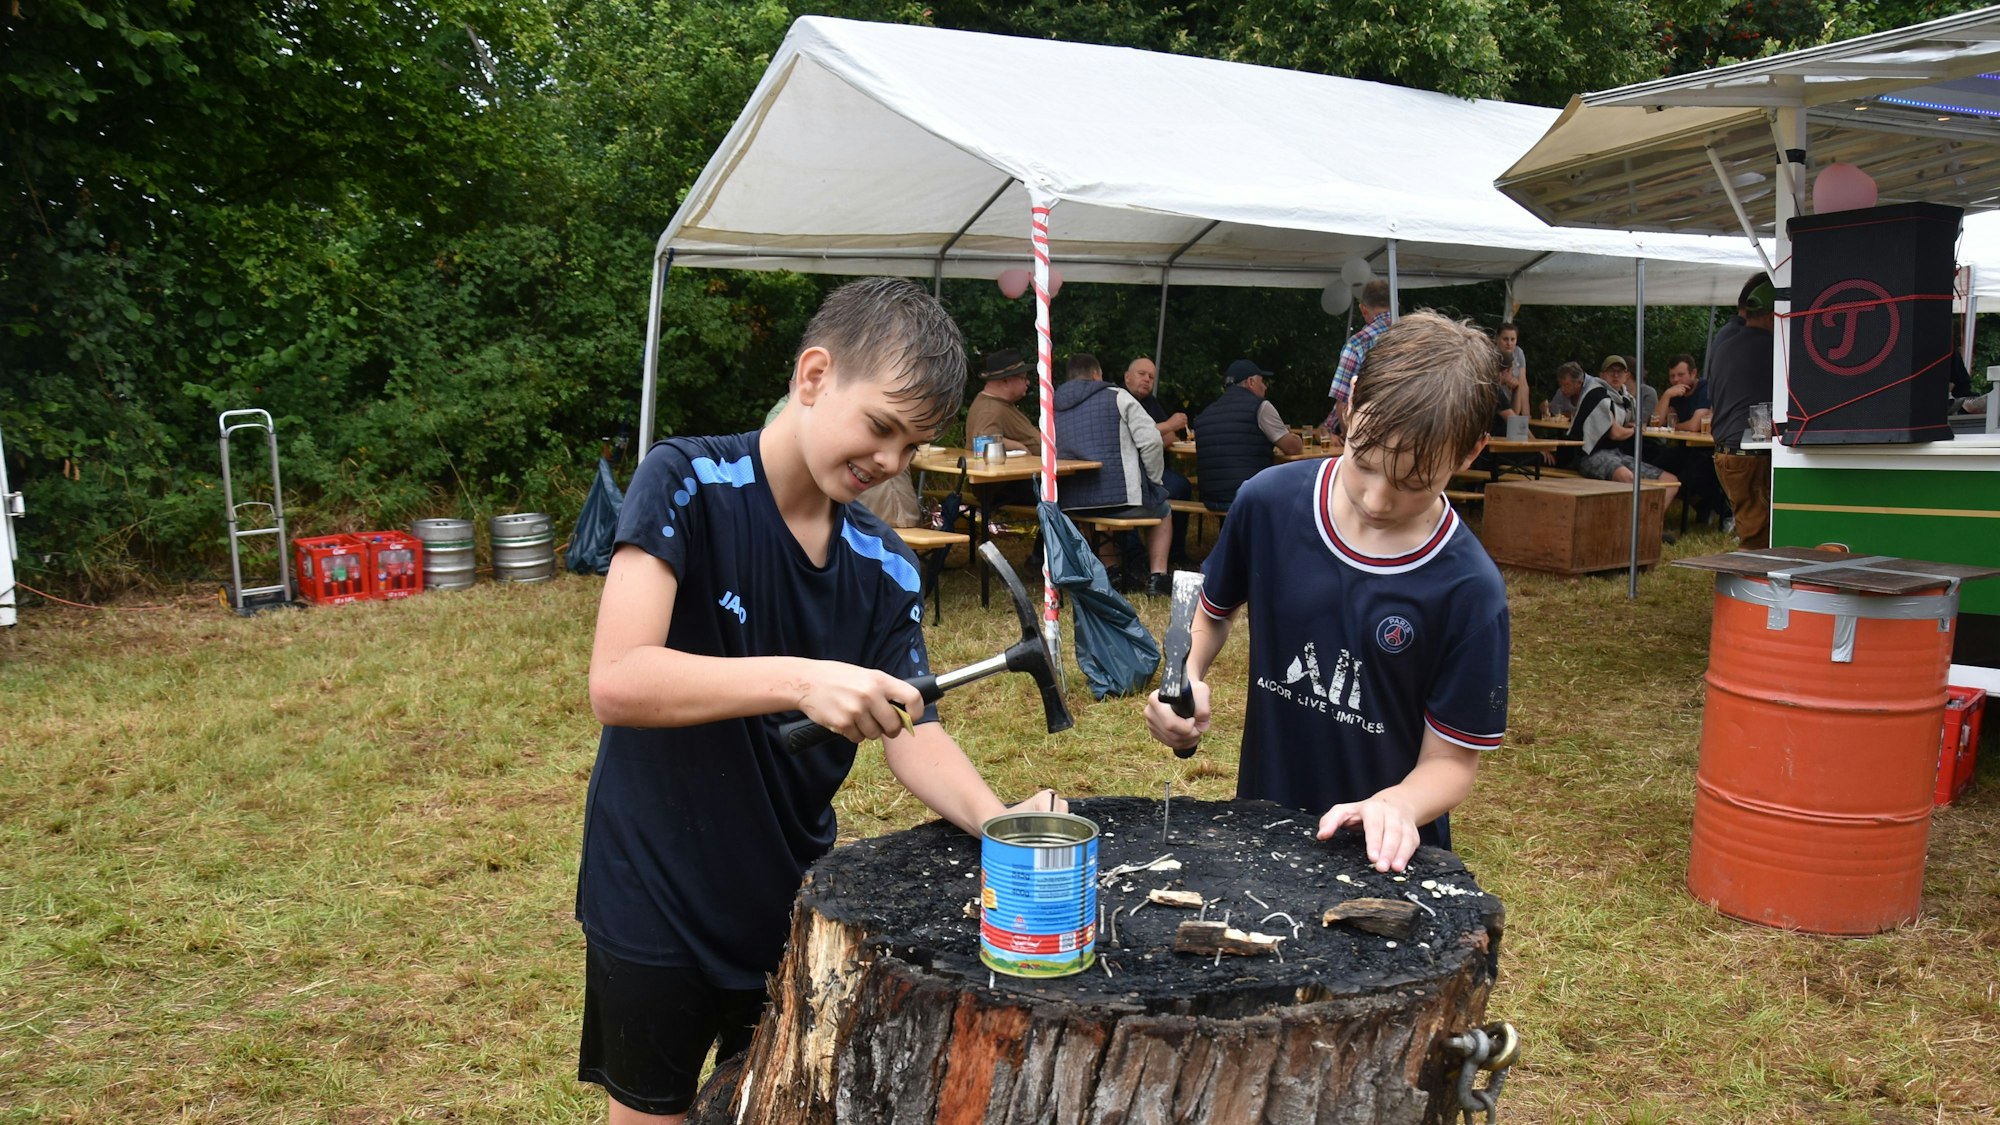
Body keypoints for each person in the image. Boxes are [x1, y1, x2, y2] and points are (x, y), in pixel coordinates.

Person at [577, 277, 1062, 1125]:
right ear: (812, 376)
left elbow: (916, 729)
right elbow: (618, 678)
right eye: (880, 427)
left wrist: (997, 822)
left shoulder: (885, 565)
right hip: (652, 888)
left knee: (771, 1105)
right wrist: (803, 677)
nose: (889, 462)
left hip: (787, 898)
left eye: (912, 447)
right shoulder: (687, 482)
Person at [1145, 312, 1509, 874]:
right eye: (1364, 460)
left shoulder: (1469, 589)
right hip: (1261, 830)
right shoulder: (1268, 502)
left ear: (1471, 453)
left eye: (1415, 482)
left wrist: (1399, 803)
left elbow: (1452, 762)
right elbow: (1208, 611)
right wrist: (1183, 677)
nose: (1379, 498)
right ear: (1351, 401)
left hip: (1384, 860)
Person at [1054, 352, 1174, 594]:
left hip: (1072, 502)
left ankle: (1112, 570)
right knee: (1163, 508)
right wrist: (1154, 481)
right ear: (1097, 374)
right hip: (1119, 498)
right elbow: (1151, 441)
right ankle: (1157, 577)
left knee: (1094, 510)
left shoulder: (1052, 404)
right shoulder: (1118, 397)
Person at [1708, 273, 1775, 548]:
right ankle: (1742, 590)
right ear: (1774, 315)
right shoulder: (1770, 347)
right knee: (1757, 540)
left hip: (1727, 454)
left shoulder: (1726, 340)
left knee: (1753, 530)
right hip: (1748, 457)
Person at [1193, 359, 1305, 513]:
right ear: (1251, 382)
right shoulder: (1260, 406)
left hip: (1211, 499)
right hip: (1249, 496)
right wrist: (1296, 438)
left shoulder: (1205, 414)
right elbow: (1293, 449)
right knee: (1299, 489)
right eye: (1262, 381)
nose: (1265, 387)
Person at [1569, 355, 1679, 510]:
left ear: (1627, 376)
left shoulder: (1626, 400)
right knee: (1627, 479)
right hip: (1590, 455)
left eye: (1620, 372)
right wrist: (1635, 429)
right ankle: (1629, 528)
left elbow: (1627, 427)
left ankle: (1646, 528)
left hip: (1617, 453)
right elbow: (1616, 433)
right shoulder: (1597, 395)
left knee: (1671, 482)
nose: (1615, 375)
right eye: (1611, 371)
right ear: (1602, 375)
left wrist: (1632, 429)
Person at [1122, 355, 1196, 563]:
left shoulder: (1150, 402)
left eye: (1151, 377)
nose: (1147, 379)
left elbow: (1169, 438)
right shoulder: (1119, 399)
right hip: (1128, 470)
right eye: (1142, 374)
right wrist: (1168, 426)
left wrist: (1158, 432)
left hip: (1154, 468)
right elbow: (1128, 438)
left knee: (1181, 486)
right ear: (1127, 377)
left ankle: (1175, 552)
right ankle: (1134, 556)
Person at [1650, 353, 1727, 523]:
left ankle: (1725, 512)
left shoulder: (1705, 389)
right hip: (1685, 448)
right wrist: (1667, 395)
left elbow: (1694, 425)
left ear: (1693, 374)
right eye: (1672, 376)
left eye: (1680, 375)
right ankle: (1702, 507)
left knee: (1688, 478)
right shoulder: (1676, 394)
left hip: (1709, 451)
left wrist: (1673, 425)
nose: (1676, 380)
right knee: (1654, 468)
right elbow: (1656, 423)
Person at [963, 347, 1043, 510]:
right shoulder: (990, 409)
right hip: (1006, 488)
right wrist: (1020, 447)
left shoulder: (999, 404)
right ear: (1006, 380)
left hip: (1014, 483)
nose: (1027, 382)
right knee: (1074, 490)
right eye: (1023, 378)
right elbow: (984, 440)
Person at [1326, 278, 1395, 426]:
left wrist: (1350, 443)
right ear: (1396, 304)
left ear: (1363, 309)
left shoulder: (1357, 344)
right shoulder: (1416, 336)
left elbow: (1343, 404)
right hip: (1416, 433)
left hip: (1373, 433)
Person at [1494, 323, 1529, 418]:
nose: (1509, 343)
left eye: (1513, 339)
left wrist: (1526, 414)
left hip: (1513, 399)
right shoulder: (1491, 354)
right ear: (1497, 338)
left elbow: (1523, 383)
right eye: (1505, 339)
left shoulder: (1518, 352)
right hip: (1496, 401)